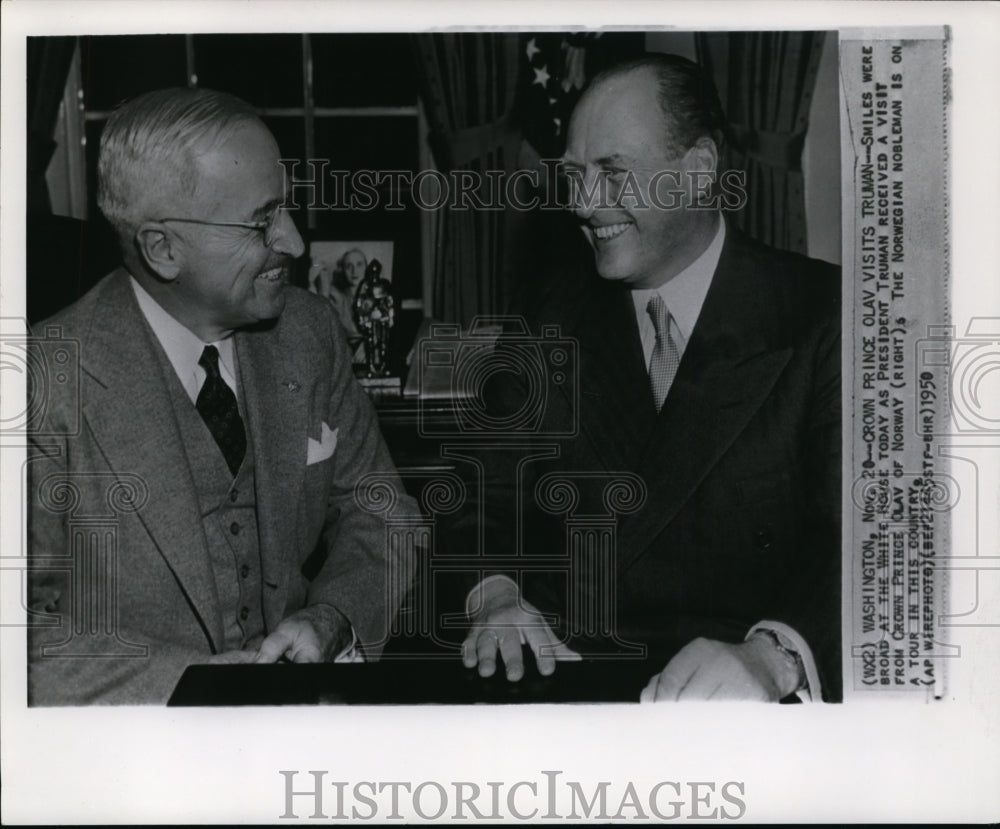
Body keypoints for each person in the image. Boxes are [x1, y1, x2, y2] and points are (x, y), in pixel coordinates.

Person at [459, 54, 841, 702]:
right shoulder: (547, 314)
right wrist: (492, 593)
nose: (583, 204)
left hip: (745, 694)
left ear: (697, 171)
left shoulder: (825, 313)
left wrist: (777, 651)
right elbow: (478, 501)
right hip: (570, 681)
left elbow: (861, 535)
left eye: (611, 174)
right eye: (574, 176)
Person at [26, 87, 415, 705]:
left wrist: (332, 616)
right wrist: (192, 685)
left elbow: (383, 513)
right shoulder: (39, 383)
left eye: (285, 209)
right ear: (163, 250)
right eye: (261, 221)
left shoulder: (310, 333)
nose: (292, 242)